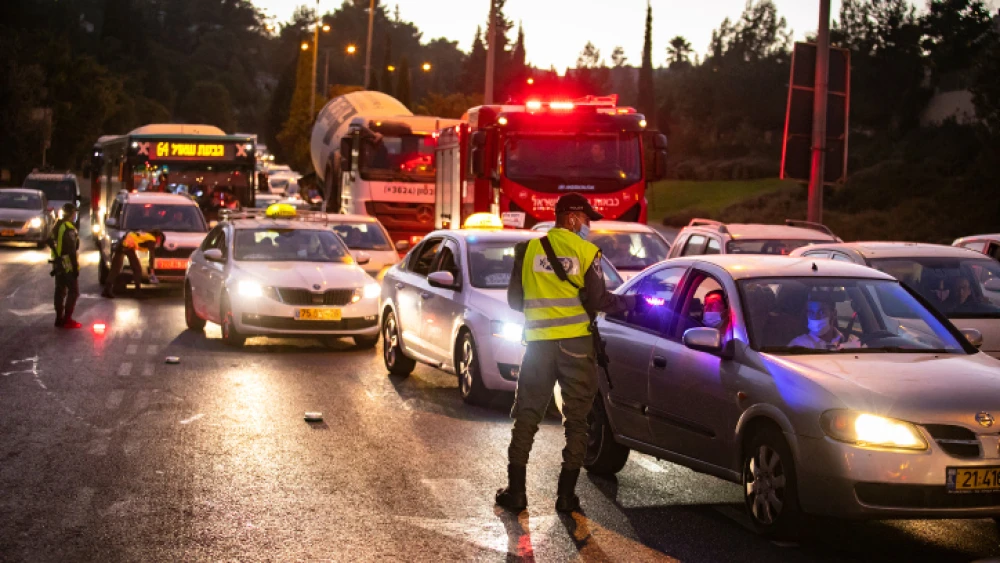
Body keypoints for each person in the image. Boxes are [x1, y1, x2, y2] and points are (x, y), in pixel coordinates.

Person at [498, 193, 644, 514]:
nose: (588, 226)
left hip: (537, 346)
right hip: (576, 347)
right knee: (577, 421)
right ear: (572, 218)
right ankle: (566, 497)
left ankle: (517, 493)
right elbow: (599, 301)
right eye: (587, 219)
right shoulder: (587, 252)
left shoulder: (528, 251)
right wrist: (631, 303)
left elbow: (514, 301)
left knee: (527, 417)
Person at [102, 229, 163, 298]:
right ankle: (137, 292)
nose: (159, 242)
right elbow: (152, 256)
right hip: (127, 247)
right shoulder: (151, 239)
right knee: (137, 269)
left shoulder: (146, 235)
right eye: (160, 239)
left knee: (115, 269)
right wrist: (152, 271)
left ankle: (106, 290)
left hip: (122, 245)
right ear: (158, 237)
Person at [49, 203, 81, 328]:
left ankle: (59, 318)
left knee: (60, 290)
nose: (75, 216)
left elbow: (50, 241)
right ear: (70, 214)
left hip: (57, 264)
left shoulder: (57, 226)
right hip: (67, 264)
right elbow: (72, 250)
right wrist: (74, 267)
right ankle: (67, 319)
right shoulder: (68, 228)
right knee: (73, 291)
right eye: (74, 213)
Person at [787, 296, 861, 350]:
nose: (816, 317)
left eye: (822, 312)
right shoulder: (799, 345)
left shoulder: (852, 341)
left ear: (834, 314)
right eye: (811, 312)